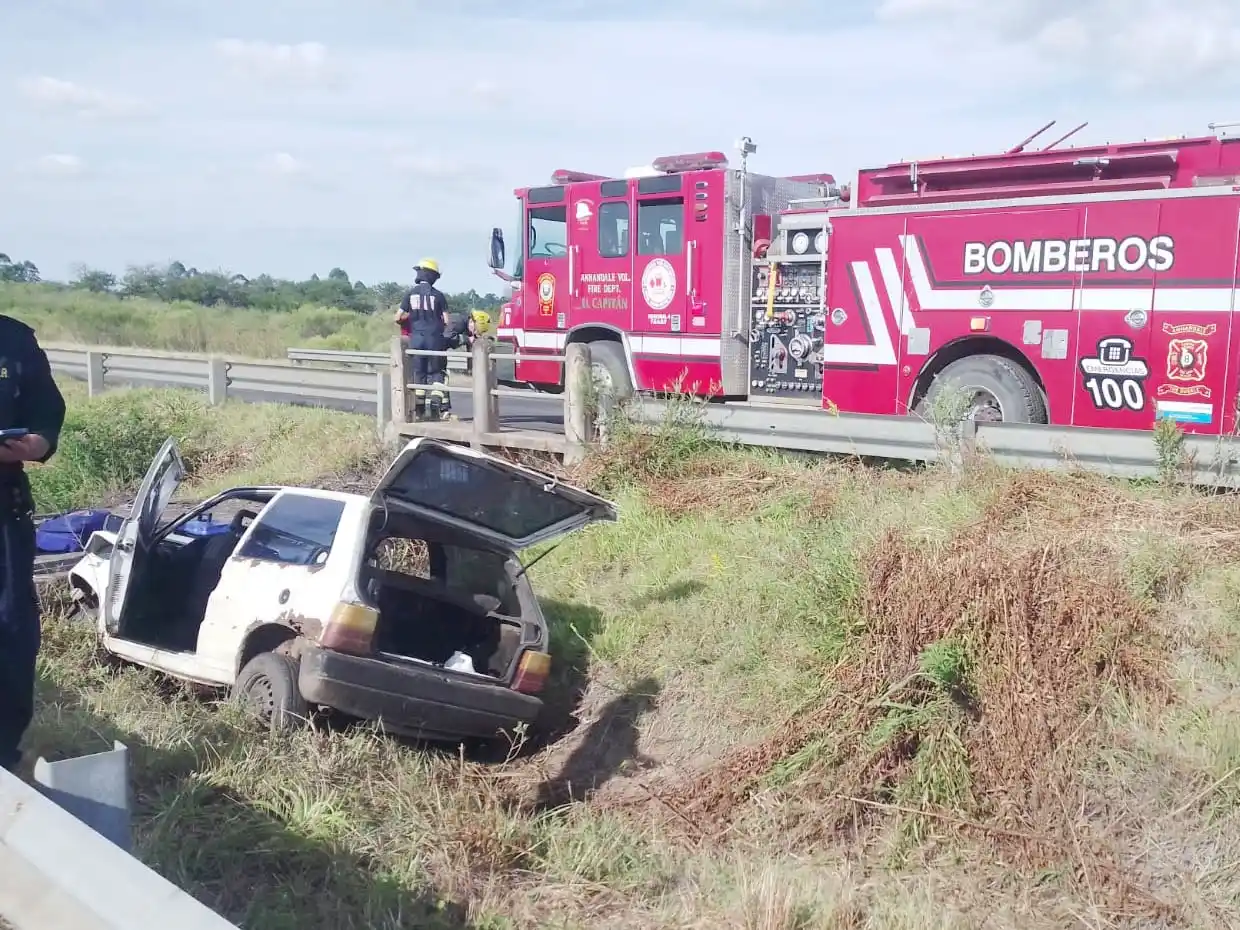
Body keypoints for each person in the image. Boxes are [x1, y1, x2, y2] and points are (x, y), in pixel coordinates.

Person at [0, 317, 66, 772]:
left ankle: (3, 754)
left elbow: (47, 410)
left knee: (12, 630)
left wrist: (38, 442)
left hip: (3, 507)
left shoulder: (14, 339)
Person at [395, 258, 452, 420]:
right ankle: (434, 408)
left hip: (416, 340)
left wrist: (411, 317)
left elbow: (398, 317)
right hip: (434, 339)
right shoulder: (439, 296)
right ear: (433, 276)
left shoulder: (410, 294)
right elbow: (447, 321)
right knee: (436, 374)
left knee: (418, 373)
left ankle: (419, 412)